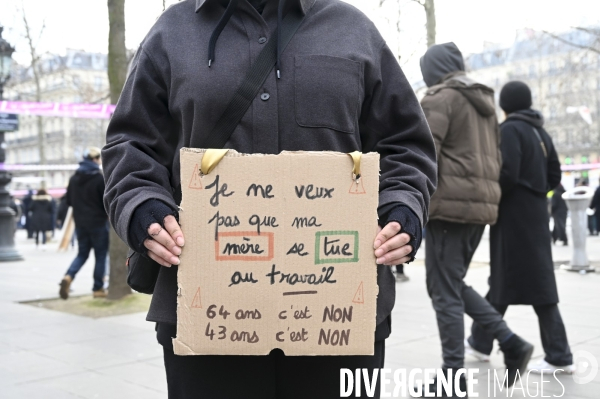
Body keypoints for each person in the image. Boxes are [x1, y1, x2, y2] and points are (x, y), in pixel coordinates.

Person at [102, 1, 437, 397]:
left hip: (339, 320)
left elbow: (406, 144)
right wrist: (142, 208)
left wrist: (403, 207)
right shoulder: (171, 32)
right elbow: (130, 144)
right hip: (206, 321)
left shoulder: (353, 29)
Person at [419, 43, 533, 394]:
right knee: (449, 284)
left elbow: (422, 151)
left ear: (432, 71)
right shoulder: (483, 104)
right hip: (478, 208)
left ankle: (453, 377)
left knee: (444, 293)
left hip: (448, 208)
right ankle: (511, 342)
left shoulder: (440, 97)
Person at [467, 81, 574, 374]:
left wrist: (491, 195)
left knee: (521, 282)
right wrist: (537, 191)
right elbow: (555, 174)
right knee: (512, 281)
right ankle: (479, 341)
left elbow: (507, 172)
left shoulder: (510, 129)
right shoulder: (541, 131)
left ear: (505, 105)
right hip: (537, 217)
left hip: (513, 217)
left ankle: (560, 355)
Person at [59, 147, 109, 299]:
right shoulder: (99, 178)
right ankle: (98, 288)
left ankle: (69, 276)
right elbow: (105, 202)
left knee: (82, 254)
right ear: (94, 159)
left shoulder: (74, 179)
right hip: (98, 223)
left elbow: (68, 201)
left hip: (80, 224)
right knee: (100, 255)